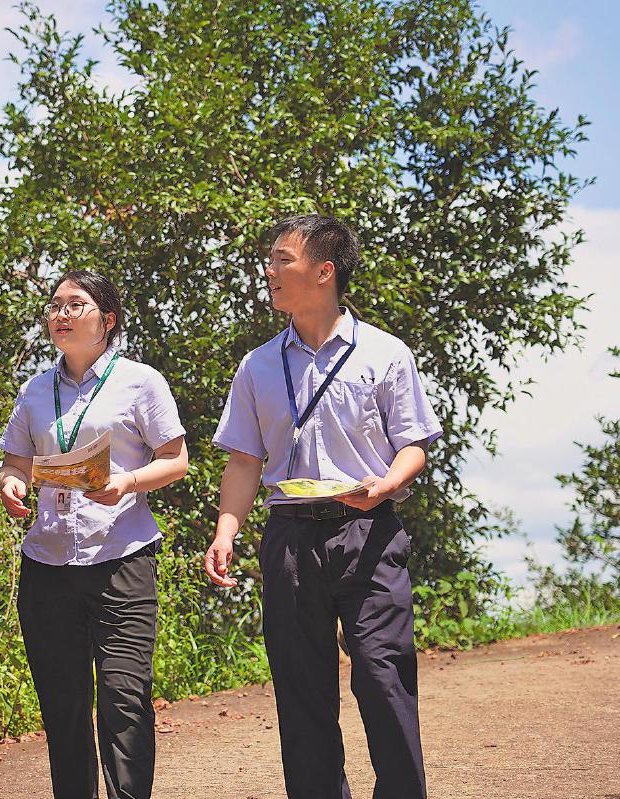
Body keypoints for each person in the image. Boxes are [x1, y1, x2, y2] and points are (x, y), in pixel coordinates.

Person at [204, 214, 441, 799]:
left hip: (369, 532)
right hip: (289, 539)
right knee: (301, 688)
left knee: (383, 676)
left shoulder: (384, 353)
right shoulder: (258, 365)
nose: (269, 270)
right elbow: (244, 460)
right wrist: (226, 531)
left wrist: (385, 485)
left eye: (282, 259)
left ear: (324, 271)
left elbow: (414, 444)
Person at [0, 270, 188, 799]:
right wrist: (12, 484)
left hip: (122, 558)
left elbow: (176, 460)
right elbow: (15, 461)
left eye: (75, 305)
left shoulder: (140, 382)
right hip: (48, 564)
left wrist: (127, 482)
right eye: (55, 305)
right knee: (63, 707)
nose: (60, 314)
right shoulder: (36, 390)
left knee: (125, 700)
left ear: (107, 320)